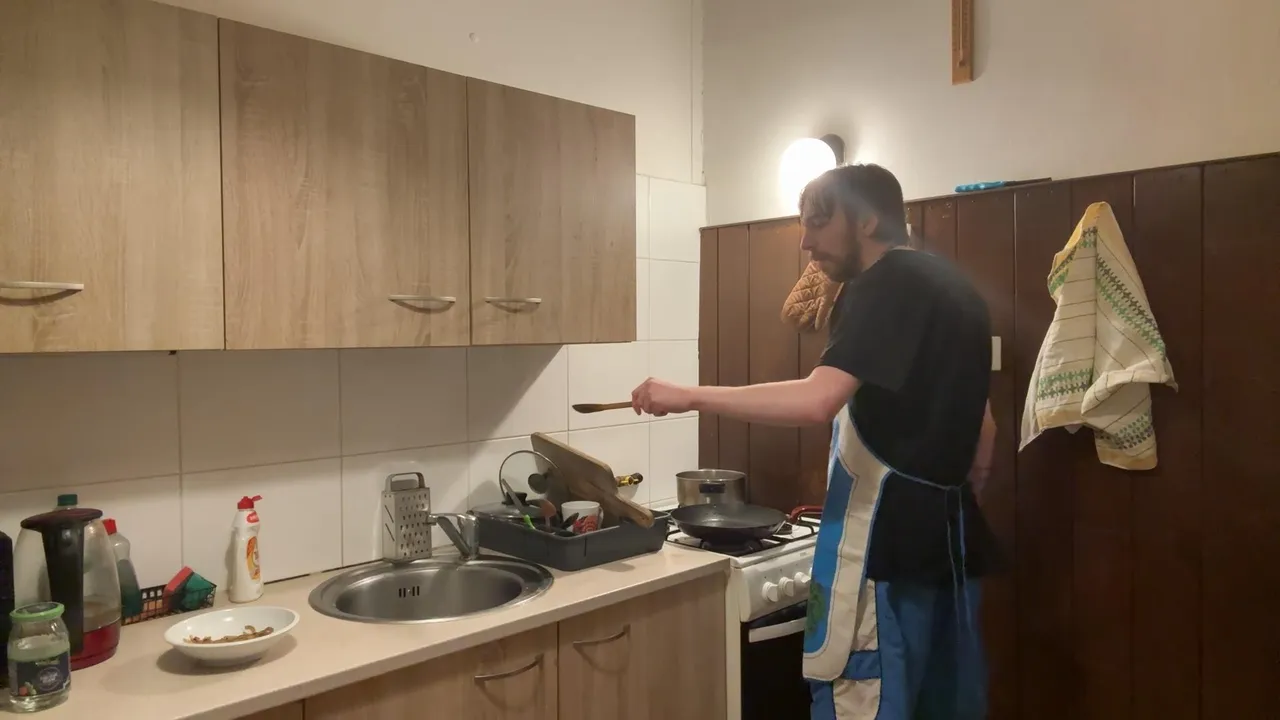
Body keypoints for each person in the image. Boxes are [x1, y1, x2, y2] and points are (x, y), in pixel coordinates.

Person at [631, 164, 999, 719]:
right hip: (951, 548)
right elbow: (984, 425)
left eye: (819, 223)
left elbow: (817, 400)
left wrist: (688, 395)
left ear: (867, 219)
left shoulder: (882, 284)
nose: (806, 243)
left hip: (883, 551)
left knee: (867, 700)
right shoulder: (955, 286)